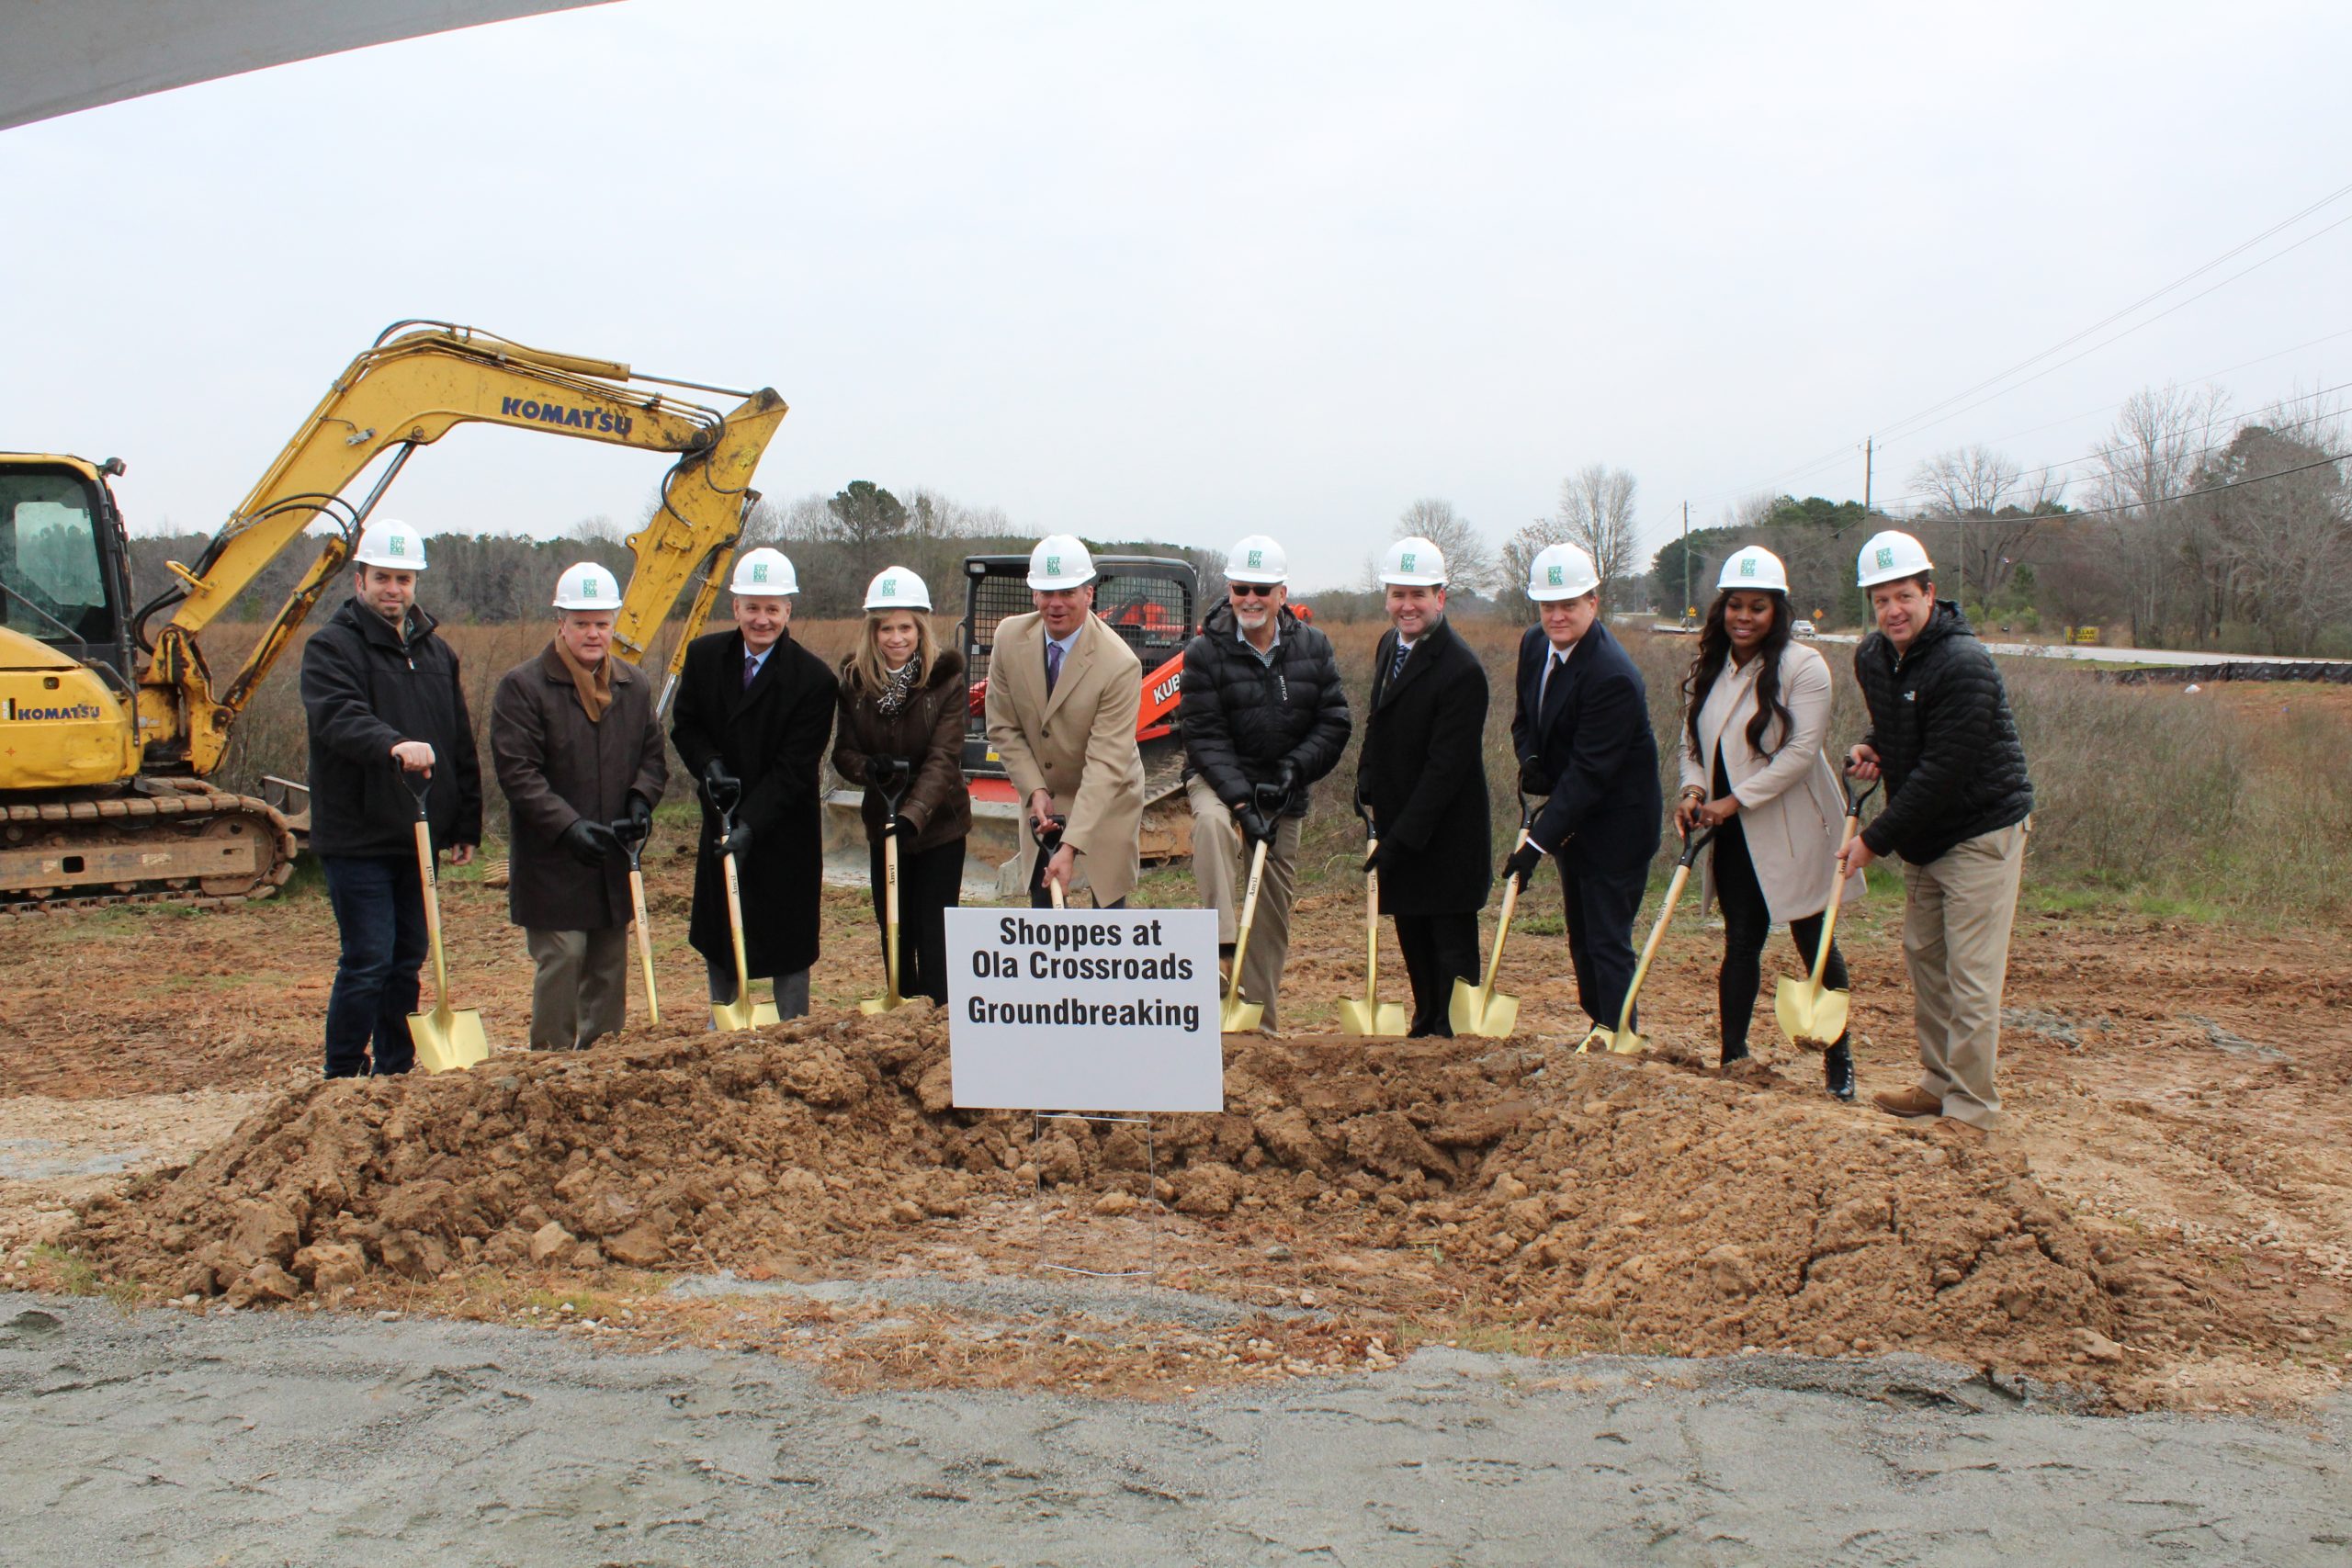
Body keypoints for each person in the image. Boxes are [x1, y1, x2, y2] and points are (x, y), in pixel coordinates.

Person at [1838, 530, 2034, 1140]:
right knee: (1926, 961)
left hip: (1980, 830)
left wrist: (1873, 839)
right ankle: (1938, 1081)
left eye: (1904, 596)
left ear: (1931, 593)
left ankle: (1972, 1110)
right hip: (1927, 834)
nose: (1893, 610)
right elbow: (1902, 722)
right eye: (1881, 599)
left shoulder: (1964, 663)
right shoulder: (1873, 656)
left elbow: (1943, 771)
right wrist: (1874, 745)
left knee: (1971, 973)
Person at [1672, 546, 1860, 1098]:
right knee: (1741, 941)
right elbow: (1692, 745)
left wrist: (1731, 802)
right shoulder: (1709, 666)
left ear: (1777, 610)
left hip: (1792, 827)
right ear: (1721, 609)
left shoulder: (1804, 667)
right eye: (1735, 605)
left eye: (1758, 606)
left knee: (1814, 939)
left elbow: (1800, 753)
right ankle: (1734, 1055)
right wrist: (1693, 790)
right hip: (1730, 832)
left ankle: (1839, 1060)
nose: (1744, 617)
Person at [298, 519, 481, 1078]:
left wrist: (465, 820)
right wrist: (393, 743)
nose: (393, 589)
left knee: (406, 960)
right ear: (360, 581)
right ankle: (343, 1070)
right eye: (383, 578)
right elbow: (338, 717)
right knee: (367, 960)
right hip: (357, 834)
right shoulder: (331, 647)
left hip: (417, 832)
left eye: (403, 579)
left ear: (415, 583)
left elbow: (456, 738)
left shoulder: (436, 652)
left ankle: (396, 1069)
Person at [489, 562, 669, 1051]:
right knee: (565, 956)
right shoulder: (523, 687)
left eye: (602, 623)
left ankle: (602, 1065)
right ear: (561, 624)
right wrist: (568, 827)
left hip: (611, 857)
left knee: (609, 966)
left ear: (614, 625)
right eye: (582, 622)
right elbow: (518, 774)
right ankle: (549, 1066)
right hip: (553, 859)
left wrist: (640, 801)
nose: (593, 633)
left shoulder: (633, 686)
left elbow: (653, 759)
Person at [1178, 534, 1351, 1028]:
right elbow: (1204, 737)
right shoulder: (1203, 652)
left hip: (1283, 788)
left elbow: (1334, 720)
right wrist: (1239, 804)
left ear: (1281, 593)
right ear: (1229, 591)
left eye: (1262, 589)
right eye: (1240, 588)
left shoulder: (1313, 647)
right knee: (1212, 828)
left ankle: (1261, 1024)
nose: (1250, 598)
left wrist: (1295, 769)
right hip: (1219, 779)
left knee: (1272, 912)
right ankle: (1222, 941)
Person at [1501, 541, 1663, 1039]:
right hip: (1575, 818)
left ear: (1593, 602)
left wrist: (1534, 845)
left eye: (1568, 604)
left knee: (1607, 939)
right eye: (1548, 605)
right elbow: (1526, 716)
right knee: (1580, 936)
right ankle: (1599, 1025)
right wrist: (1530, 758)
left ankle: (1620, 1038)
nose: (1557, 616)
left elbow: (1591, 775)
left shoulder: (1611, 674)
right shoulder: (1534, 644)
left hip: (1619, 823)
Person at [671, 547, 837, 1018]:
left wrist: (752, 823)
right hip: (720, 816)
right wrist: (709, 765)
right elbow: (685, 726)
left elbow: (795, 766)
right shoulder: (704, 658)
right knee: (722, 932)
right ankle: (723, 1020)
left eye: (772, 609)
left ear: (788, 610)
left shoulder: (812, 680)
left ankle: (792, 1032)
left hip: (782, 829)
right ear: (735, 608)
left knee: (787, 940)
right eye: (752, 608)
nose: (761, 620)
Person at [1355, 536, 1490, 1036]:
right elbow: (1379, 718)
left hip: (1445, 835)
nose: (1406, 606)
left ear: (1441, 598)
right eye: (1397, 594)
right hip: (1401, 826)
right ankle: (1426, 1021)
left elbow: (1444, 773)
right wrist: (1366, 775)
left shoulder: (1462, 670)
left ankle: (1455, 1037)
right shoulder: (1391, 645)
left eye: (1419, 595)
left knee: (1447, 939)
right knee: (1412, 931)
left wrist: (1398, 842)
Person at [983, 534, 1147, 908]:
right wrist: (1033, 789)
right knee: (1045, 903)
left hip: (1107, 792)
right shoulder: (1009, 639)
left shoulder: (1119, 665)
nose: (1055, 604)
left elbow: (1106, 762)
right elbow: (1003, 726)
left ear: (1089, 594)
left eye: (1068, 593)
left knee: (1106, 910)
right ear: (1033, 594)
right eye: (1046, 592)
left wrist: (1072, 845)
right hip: (1045, 791)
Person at [831, 565, 969, 1007]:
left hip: (939, 825)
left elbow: (944, 758)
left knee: (934, 930)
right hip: (882, 820)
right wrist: (869, 769)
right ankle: (900, 1008)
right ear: (873, 632)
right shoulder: (855, 682)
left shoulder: (944, 679)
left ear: (920, 628)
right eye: (886, 628)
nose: (896, 638)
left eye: (905, 627)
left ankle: (939, 1014)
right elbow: (843, 751)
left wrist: (913, 817)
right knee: (893, 924)